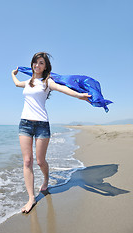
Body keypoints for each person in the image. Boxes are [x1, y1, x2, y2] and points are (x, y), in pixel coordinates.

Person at [11, 52, 91, 213]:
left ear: (45, 66)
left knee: (40, 161)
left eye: (41, 63)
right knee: (27, 161)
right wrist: (12, 74)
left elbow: (63, 89)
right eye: (35, 62)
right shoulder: (28, 82)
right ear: (32, 64)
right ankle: (31, 198)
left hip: (42, 125)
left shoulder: (48, 82)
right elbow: (17, 84)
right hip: (24, 124)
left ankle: (46, 179)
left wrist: (79, 95)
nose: (37, 65)